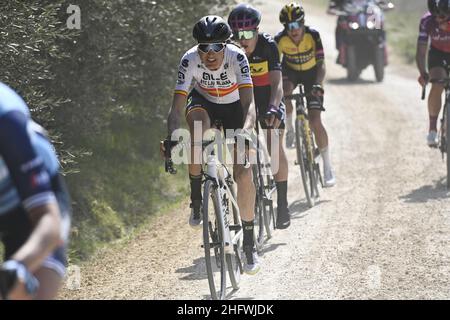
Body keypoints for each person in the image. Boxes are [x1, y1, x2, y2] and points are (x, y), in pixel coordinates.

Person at [160, 16, 260, 274]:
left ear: (225, 45)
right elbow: (175, 110)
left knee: (243, 171)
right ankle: (196, 198)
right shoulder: (189, 59)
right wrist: (171, 137)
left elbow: (249, 104)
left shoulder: (238, 57)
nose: (210, 53)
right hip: (204, 102)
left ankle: (249, 242)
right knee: (195, 133)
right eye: (204, 47)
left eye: (216, 47)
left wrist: (246, 132)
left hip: (235, 107)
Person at [0, 82, 71, 300]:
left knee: (30, 293)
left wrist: (18, 267)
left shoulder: (7, 119)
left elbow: (49, 223)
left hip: (33, 208)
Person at [228, 3, 291, 229]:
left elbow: (277, 85)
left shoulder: (268, 46)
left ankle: (282, 203)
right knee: (242, 149)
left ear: (256, 31)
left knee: (274, 143)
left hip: (267, 99)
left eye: (246, 34)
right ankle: (249, 195)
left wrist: (274, 107)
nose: (241, 39)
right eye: (236, 34)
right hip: (244, 103)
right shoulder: (230, 52)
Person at [275, 3, 336, 188]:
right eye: (288, 26)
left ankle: (327, 166)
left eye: (296, 25)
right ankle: (291, 126)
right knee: (284, 89)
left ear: (303, 23)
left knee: (315, 120)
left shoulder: (313, 35)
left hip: (312, 74)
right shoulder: (280, 40)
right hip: (290, 72)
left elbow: (322, 64)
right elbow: (275, 69)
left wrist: (318, 84)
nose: (293, 30)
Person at [417, 0, 450, 147]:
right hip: (438, 54)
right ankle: (432, 129)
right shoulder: (427, 21)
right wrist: (423, 72)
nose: (438, 19)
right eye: (435, 16)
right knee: (437, 83)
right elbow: (421, 51)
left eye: (442, 16)